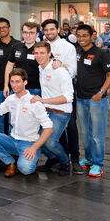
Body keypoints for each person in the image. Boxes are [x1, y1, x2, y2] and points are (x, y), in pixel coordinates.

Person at [0, 69, 54, 177]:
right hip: (12, 140)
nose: (14, 85)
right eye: (12, 81)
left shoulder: (34, 102)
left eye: (17, 81)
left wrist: (34, 147)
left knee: (25, 169)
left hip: (29, 143)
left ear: (25, 82)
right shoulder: (11, 99)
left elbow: (49, 128)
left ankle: (31, 157)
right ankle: (10, 162)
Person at [42, 19, 82, 174]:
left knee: (71, 126)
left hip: (65, 92)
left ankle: (75, 159)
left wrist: (62, 66)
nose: (49, 32)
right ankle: (60, 157)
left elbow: (74, 71)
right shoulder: (42, 46)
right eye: (46, 30)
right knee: (54, 128)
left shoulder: (68, 47)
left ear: (57, 29)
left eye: (52, 29)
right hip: (48, 94)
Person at [75, 24, 110, 178]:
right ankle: (90, 158)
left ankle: (98, 163)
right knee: (86, 133)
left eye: (85, 35)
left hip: (97, 100)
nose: (81, 39)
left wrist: (101, 92)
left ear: (92, 36)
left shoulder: (100, 53)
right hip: (81, 99)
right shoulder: (77, 51)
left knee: (97, 135)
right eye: (78, 36)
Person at [32, 41, 74, 176]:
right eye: (36, 53)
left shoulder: (60, 70)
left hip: (61, 112)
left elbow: (68, 97)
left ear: (49, 54)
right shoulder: (41, 68)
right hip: (46, 111)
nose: (39, 56)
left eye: (42, 53)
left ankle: (64, 161)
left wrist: (43, 100)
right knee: (34, 139)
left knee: (49, 142)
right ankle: (53, 158)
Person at [4, 22, 42, 97]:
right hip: (16, 88)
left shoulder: (41, 48)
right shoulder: (16, 47)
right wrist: (6, 85)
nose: (28, 36)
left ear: (37, 34)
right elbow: (9, 66)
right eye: (25, 32)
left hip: (35, 89)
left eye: (31, 33)